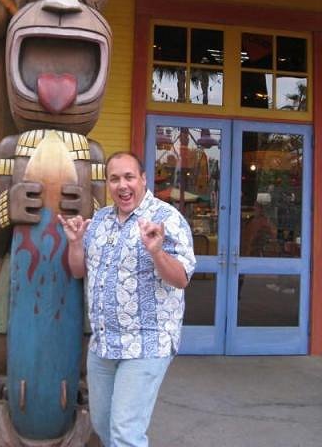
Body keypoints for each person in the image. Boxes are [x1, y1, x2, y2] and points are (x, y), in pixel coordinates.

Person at [58, 151, 196, 447]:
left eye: (129, 177)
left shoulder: (167, 219)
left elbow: (181, 278)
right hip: (104, 343)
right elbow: (79, 270)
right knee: (102, 425)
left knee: (125, 432)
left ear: (143, 179)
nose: (122, 185)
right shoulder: (100, 220)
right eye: (115, 178)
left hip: (147, 342)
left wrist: (157, 252)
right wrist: (76, 243)